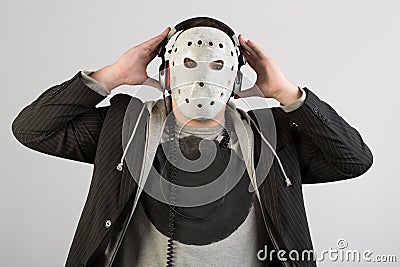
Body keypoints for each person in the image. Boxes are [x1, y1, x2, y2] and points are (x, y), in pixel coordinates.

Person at [12, 17, 373, 267]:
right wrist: (114, 75)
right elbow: (32, 128)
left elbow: (354, 159)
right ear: (166, 72)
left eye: (217, 65)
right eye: (188, 62)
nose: (202, 76)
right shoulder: (123, 127)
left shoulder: (272, 138)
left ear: (235, 75)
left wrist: (287, 93)